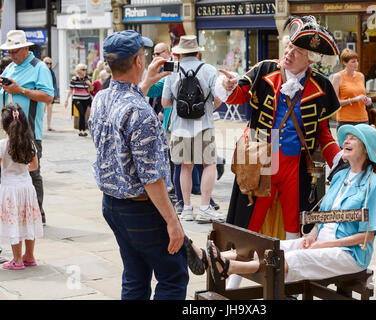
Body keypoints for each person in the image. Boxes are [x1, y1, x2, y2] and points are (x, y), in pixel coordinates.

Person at [187, 124, 376, 284]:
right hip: (321, 242)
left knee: (290, 259)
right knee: (269, 246)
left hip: (349, 255)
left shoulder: (374, 185)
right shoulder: (340, 176)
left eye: (354, 138)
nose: (346, 140)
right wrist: (312, 235)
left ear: (366, 149)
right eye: (347, 136)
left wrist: (325, 244)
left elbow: (367, 236)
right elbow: (326, 216)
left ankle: (228, 267)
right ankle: (210, 257)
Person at [217, 15, 343, 239]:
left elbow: (323, 133)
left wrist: (339, 158)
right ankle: (236, 271)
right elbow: (238, 96)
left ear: (310, 59)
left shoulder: (321, 86)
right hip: (260, 159)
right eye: (289, 47)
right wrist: (228, 86)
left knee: (294, 225)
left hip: (295, 165)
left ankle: (286, 270)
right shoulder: (265, 70)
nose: (288, 53)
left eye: (297, 52)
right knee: (250, 221)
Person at [89, 30, 188, 300]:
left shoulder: (101, 99)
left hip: (112, 204)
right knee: (173, 276)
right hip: (141, 208)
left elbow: (124, 108)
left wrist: (144, 84)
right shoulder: (141, 112)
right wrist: (173, 222)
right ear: (138, 61)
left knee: (135, 275)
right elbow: (151, 178)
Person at [162, 35, 224, 224]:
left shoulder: (172, 71)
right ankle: (205, 207)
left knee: (185, 167)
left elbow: (165, 102)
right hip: (203, 125)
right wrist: (206, 110)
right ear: (198, 52)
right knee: (209, 164)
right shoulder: (209, 70)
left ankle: (187, 208)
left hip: (180, 127)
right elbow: (219, 98)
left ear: (179, 53)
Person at [0, 30, 54, 226]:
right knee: (9, 173)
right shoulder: (10, 68)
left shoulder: (39, 67)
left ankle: (38, 215)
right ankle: (16, 213)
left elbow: (48, 97)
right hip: (7, 131)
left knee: (31, 172)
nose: (11, 55)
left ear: (25, 48)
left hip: (29, 131)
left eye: (15, 51)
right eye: (9, 52)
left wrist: (20, 89)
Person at [0, 103, 43, 270]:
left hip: (9, 189)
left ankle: (17, 260)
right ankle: (30, 256)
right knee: (28, 221)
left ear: (5, 125)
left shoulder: (3, 144)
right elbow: (34, 166)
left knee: (14, 223)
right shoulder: (29, 143)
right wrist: (22, 168)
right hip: (26, 187)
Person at [332, 48, 373, 131]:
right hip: (346, 120)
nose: (356, 64)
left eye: (357, 61)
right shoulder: (338, 77)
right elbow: (334, 103)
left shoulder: (361, 76)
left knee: (363, 144)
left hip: (363, 119)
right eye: (353, 62)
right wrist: (354, 99)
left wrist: (367, 100)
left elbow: (362, 95)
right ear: (344, 63)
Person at [64, 64, 93, 137]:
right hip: (77, 99)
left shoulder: (88, 79)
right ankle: (81, 130)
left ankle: (83, 130)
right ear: (79, 71)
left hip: (86, 99)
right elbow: (71, 90)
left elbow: (91, 90)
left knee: (83, 114)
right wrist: (66, 100)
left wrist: (89, 84)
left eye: (85, 69)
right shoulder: (74, 79)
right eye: (83, 69)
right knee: (81, 113)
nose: (85, 71)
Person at [43, 57, 59, 132]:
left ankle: (49, 126)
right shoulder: (41, 71)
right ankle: (39, 124)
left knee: (50, 108)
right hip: (41, 92)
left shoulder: (51, 72)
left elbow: (54, 83)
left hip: (50, 92)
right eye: (47, 63)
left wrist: (56, 94)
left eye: (50, 63)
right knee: (42, 109)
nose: (49, 64)